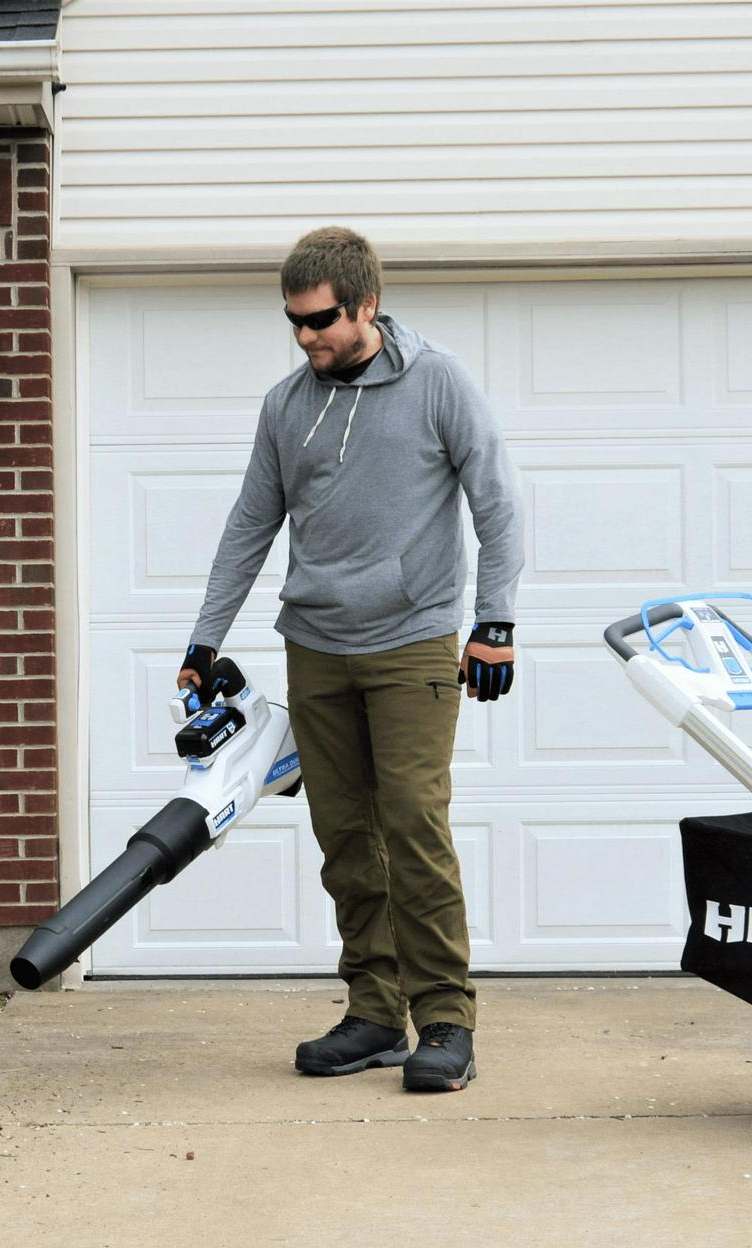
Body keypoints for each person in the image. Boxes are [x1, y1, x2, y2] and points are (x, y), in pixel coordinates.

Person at [178, 226, 524, 1091]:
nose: (306, 337)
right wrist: (204, 639)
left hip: (412, 641)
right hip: (316, 646)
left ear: (366, 305)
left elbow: (498, 503)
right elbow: (250, 524)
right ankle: (374, 1012)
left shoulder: (438, 381)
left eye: (321, 320)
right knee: (343, 837)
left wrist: (495, 622)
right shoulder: (285, 405)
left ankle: (444, 1018)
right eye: (293, 322)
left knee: (412, 823)